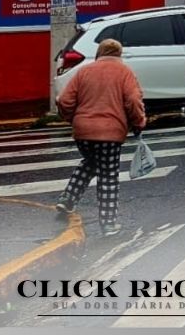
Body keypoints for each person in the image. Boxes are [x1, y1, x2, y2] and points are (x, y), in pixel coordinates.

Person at [55, 39, 146, 237]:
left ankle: (68, 198)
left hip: (83, 133)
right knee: (108, 176)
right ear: (118, 54)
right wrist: (139, 123)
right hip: (110, 134)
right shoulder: (125, 73)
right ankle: (108, 223)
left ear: (99, 53)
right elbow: (133, 101)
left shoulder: (84, 71)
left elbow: (64, 100)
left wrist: (73, 119)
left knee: (91, 162)